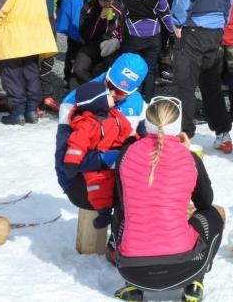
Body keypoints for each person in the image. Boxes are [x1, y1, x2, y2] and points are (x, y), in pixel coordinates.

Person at [110, 97, 222, 302]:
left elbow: (121, 201)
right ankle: (196, 282)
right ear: (177, 127)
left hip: (131, 270)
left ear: (147, 123)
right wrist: (185, 153)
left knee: (120, 213)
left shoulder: (127, 153)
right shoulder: (189, 157)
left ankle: (132, 289)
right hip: (184, 267)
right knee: (212, 214)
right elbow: (205, 202)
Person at [55, 53, 148, 226]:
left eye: (120, 91)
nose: (112, 92)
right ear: (109, 72)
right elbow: (65, 162)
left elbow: (146, 144)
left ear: (133, 91)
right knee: (130, 196)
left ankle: (133, 242)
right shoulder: (79, 99)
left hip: (123, 174)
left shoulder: (138, 104)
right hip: (82, 180)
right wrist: (107, 159)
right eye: (110, 84)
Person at [171, 0, 233, 152]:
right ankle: (223, 133)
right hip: (215, 28)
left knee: (184, 83)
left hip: (193, 26)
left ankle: (184, 135)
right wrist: (223, 21)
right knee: (211, 83)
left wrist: (176, 21)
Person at [60, 81, 135, 229]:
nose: (114, 94)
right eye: (109, 94)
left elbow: (128, 130)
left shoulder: (116, 116)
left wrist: (133, 141)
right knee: (99, 187)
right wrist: (71, 162)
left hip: (119, 155)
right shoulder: (87, 124)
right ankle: (104, 213)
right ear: (98, 101)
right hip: (98, 165)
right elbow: (77, 144)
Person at [117, 0, 174, 102]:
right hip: (153, 36)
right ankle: (147, 102)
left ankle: (128, 101)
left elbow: (121, 11)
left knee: (130, 70)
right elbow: (165, 14)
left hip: (132, 36)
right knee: (150, 70)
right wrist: (173, 32)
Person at [71, 0, 123, 87]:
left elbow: (124, 30)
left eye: (111, 2)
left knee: (113, 70)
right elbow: (84, 34)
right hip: (92, 42)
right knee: (78, 69)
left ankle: (109, 90)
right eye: (105, 2)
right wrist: (98, 19)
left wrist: (114, 19)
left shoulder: (117, 7)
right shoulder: (88, 8)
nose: (108, 4)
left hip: (110, 43)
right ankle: (98, 88)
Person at [32, 0, 63, 112]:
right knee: (35, 60)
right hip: (37, 20)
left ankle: (45, 96)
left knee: (49, 58)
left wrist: (53, 9)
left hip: (48, 18)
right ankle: (34, 100)